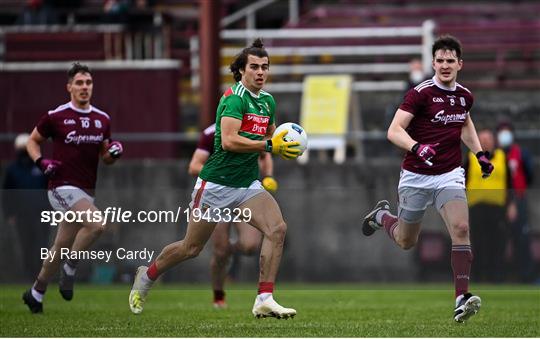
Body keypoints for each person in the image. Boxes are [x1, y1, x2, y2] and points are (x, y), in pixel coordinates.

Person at [129, 38, 300, 319]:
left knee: (277, 228)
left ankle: (264, 297)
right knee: (191, 248)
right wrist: (269, 146)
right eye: (254, 67)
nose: (260, 72)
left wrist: (284, 143)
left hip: (247, 185)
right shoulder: (233, 98)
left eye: (265, 67)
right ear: (241, 71)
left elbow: (270, 135)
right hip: (215, 185)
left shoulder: (267, 101)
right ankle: (146, 277)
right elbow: (231, 141)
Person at [361, 35, 494, 323]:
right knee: (406, 241)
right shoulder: (419, 93)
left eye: (450, 61)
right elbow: (394, 130)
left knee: (460, 227)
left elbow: (465, 123)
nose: (445, 65)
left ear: (460, 63)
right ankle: (382, 216)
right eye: (440, 60)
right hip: (416, 176)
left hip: (449, 174)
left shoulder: (464, 96)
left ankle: (461, 297)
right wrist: (417, 146)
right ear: (433, 63)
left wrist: (480, 154)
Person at [22, 62, 124, 313]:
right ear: (69, 87)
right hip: (61, 187)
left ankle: (36, 292)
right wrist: (41, 161)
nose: (84, 87)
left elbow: (106, 158)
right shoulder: (56, 116)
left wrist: (114, 152)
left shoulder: (102, 119)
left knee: (60, 245)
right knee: (98, 223)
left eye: (88, 82)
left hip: (86, 190)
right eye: (79, 82)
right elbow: (32, 141)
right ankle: (71, 266)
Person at [188, 123, 278, 308]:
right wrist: (221, 174)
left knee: (250, 245)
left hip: (243, 193)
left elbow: (265, 155)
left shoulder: (253, 130)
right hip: (219, 195)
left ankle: (230, 249)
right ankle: (219, 295)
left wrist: (268, 175)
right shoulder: (211, 134)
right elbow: (194, 166)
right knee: (219, 251)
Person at [465, 129, 512, 283]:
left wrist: (511, 205)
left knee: (497, 242)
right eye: (482, 138)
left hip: (497, 208)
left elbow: (509, 183)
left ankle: (496, 276)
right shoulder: (471, 158)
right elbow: (461, 181)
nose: (485, 141)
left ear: (493, 141)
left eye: (488, 138)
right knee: (478, 242)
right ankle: (478, 276)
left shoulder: (502, 157)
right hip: (476, 208)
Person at [2, 134, 49, 281]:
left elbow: (50, 189)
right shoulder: (12, 170)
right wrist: (10, 214)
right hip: (22, 215)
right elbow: (7, 194)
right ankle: (29, 275)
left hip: (42, 213)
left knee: (41, 245)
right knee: (26, 245)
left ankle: (41, 274)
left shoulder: (40, 167)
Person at [497, 122, 535, 282]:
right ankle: (497, 276)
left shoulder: (521, 153)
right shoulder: (495, 154)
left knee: (522, 238)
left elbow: (529, 175)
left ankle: (526, 275)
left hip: (519, 199)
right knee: (498, 239)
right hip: (499, 200)